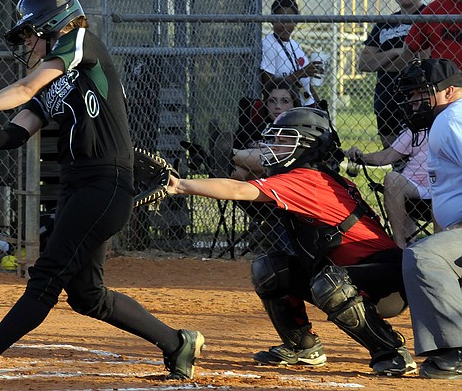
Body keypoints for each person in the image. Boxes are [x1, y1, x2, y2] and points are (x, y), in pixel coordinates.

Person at [0, 0, 204, 383]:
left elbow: (23, 88)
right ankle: (178, 343)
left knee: (47, 276)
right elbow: (13, 135)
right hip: (78, 189)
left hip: (104, 184)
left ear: (51, 25)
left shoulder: (83, 43)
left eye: (29, 34)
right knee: (88, 296)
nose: (27, 43)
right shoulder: (53, 84)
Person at [165, 107, 416, 376]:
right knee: (271, 269)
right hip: (353, 273)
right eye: (274, 139)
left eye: (284, 140)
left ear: (307, 145)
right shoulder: (307, 177)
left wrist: (181, 185)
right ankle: (303, 347)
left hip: (386, 280)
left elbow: (238, 190)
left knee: (329, 283)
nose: (274, 146)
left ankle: (392, 352)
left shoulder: (307, 180)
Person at [395, 58, 462, 379]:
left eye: (420, 93)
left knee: (423, 256)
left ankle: (453, 354)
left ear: (449, 91)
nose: (412, 102)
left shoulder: (451, 120)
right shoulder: (450, 118)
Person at [359, 0, 431, 148]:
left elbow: (423, 58)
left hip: (417, 98)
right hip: (386, 99)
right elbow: (364, 63)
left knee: (419, 158)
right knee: (393, 158)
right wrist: (397, 51)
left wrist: (382, 60)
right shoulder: (385, 22)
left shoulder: (429, 16)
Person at [345, 127, 431, 249]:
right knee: (392, 178)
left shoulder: (453, 124)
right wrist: (360, 157)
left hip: (444, 188)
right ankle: (399, 246)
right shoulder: (417, 129)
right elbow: (386, 156)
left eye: (417, 105)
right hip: (414, 188)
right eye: (412, 105)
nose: (413, 107)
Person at [260, 0, 323, 107]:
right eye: (280, 20)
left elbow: (306, 86)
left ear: (296, 21)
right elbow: (268, 87)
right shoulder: (269, 44)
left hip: (307, 104)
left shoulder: (295, 45)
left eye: (289, 20)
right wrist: (300, 73)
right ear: (271, 20)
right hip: (286, 109)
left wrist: (319, 106)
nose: (285, 25)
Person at [231, 79, 299, 180]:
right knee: (242, 172)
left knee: (275, 154)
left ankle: (229, 153)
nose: (278, 106)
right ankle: (227, 153)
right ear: (266, 104)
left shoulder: (298, 131)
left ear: (294, 104)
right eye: (272, 101)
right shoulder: (254, 128)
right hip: (252, 175)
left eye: (285, 101)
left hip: (283, 174)